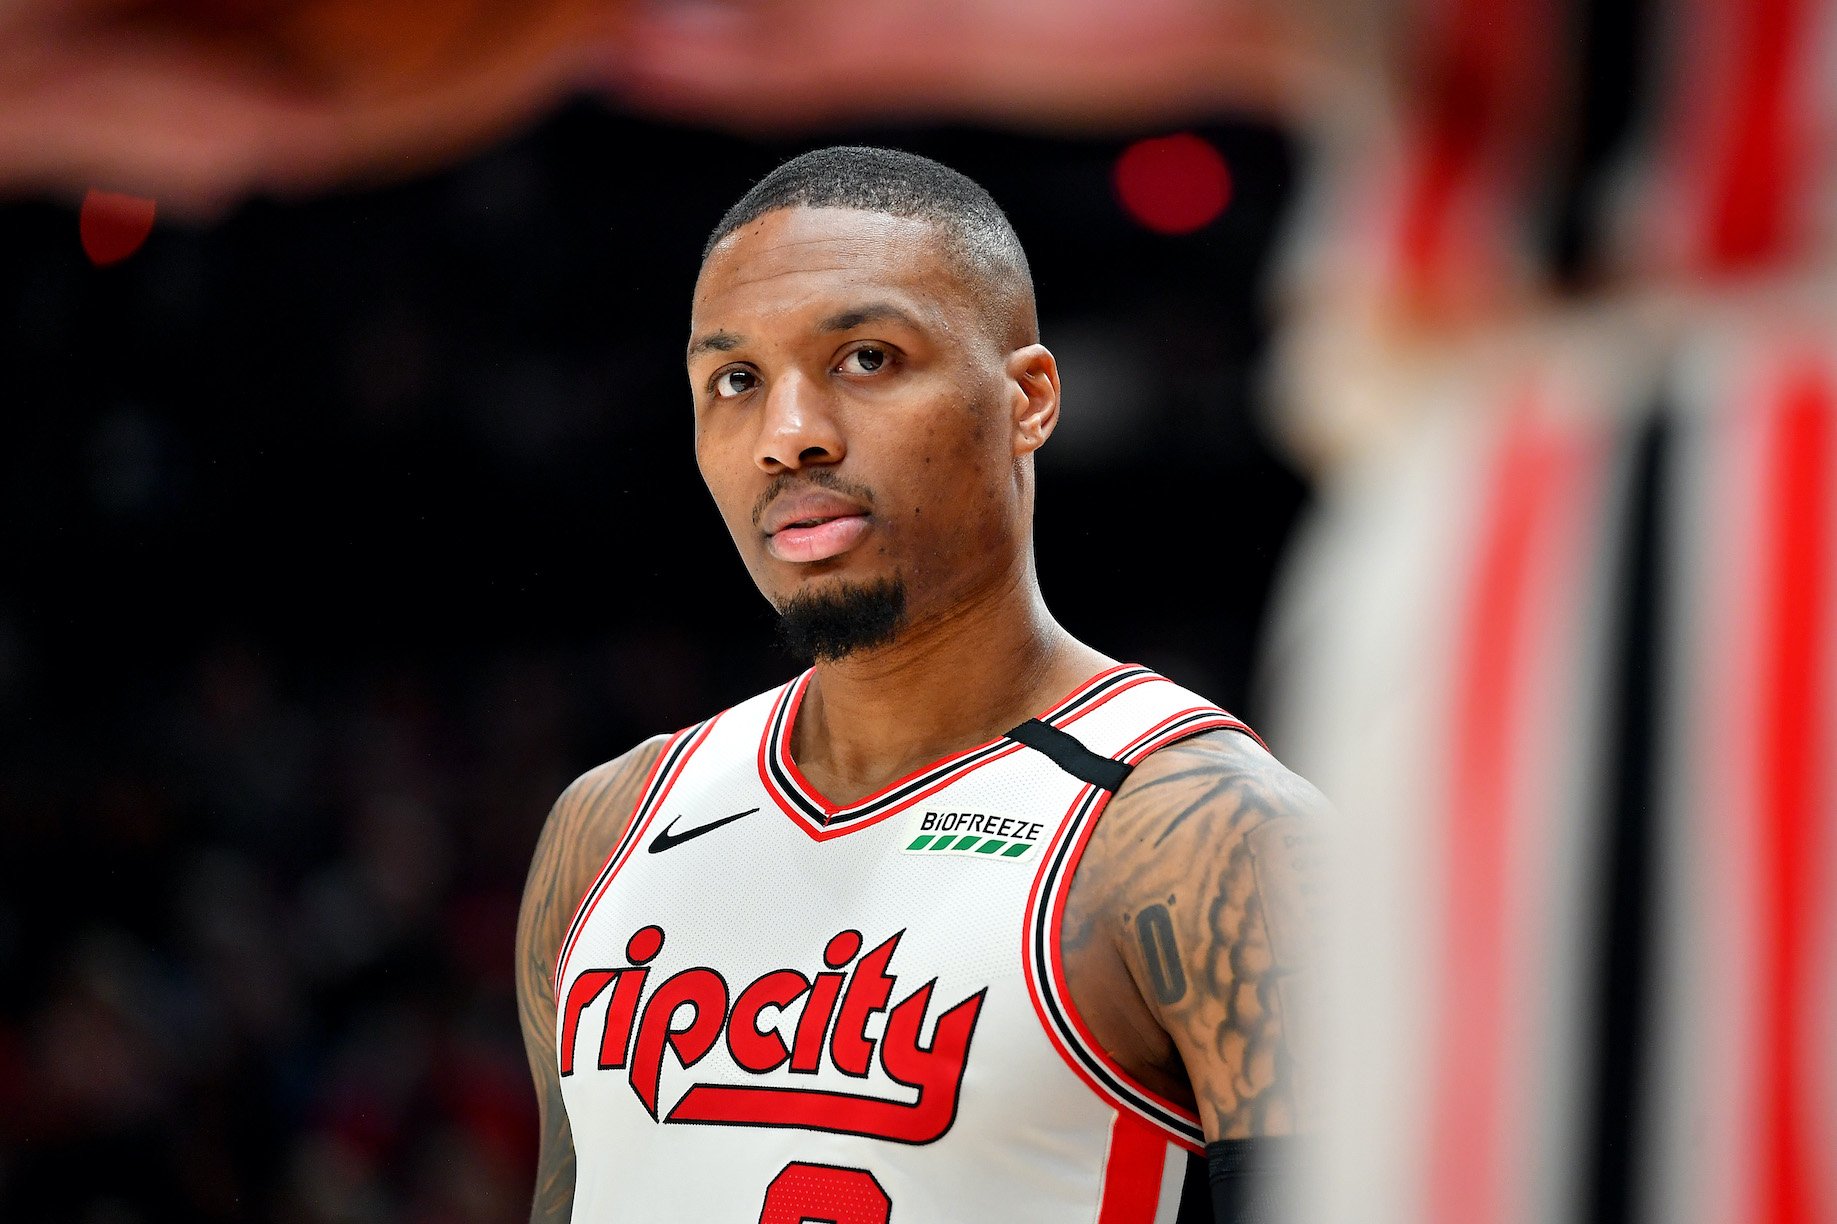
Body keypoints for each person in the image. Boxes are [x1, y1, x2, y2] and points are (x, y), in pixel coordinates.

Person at [514, 146, 1328, 1223]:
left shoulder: (1210, 840)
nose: (787, 435)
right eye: (736, 381)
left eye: (864, 358)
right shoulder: (604, 826)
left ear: (1027, 400)